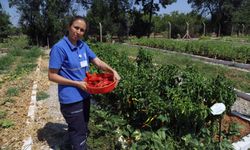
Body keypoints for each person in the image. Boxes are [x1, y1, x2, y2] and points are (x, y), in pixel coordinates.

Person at [48, 16, 121, 150]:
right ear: (69, 27)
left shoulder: (82, 45)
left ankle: (73, 144)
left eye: (82, 30)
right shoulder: (60, 48)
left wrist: (113, 71)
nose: (78, 32)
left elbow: (97, 62)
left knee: (82, 126)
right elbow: (52, 75)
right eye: (76, 27)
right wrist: (76, 83)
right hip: (71, 98)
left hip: (85, 94)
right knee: (79, 132)